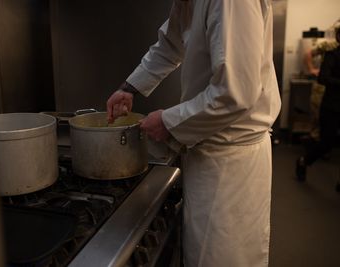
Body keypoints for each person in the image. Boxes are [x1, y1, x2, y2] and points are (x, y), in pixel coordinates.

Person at [107, 0, 281, 266]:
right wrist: (129, 87)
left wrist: (168, 121)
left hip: (231, 163)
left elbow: (235, 94)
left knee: (220, 259)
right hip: (209, 151)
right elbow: (170, 43)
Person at [296, 25, 340, 181]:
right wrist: (311, 69)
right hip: (331, 105)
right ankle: (304, 160)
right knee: (326, 141)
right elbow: (323, 77)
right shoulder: (331, 53)